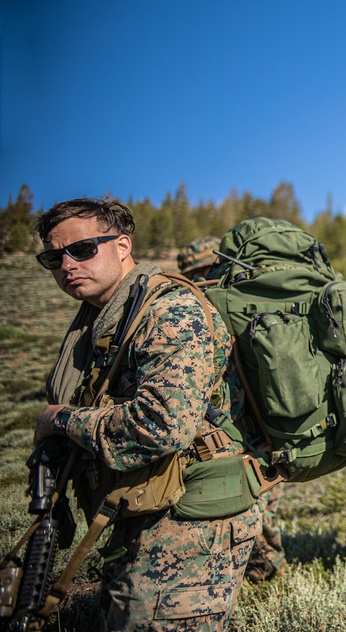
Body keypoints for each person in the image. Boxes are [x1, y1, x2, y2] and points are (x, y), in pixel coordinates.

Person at [33, 199, 261, 629]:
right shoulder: (107, 317)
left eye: (81, 249)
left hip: (189, 517)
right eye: (53, 257)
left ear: (122, 246)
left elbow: (159, 426)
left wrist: (61, 419)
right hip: (143, 506)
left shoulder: (169, 312)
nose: (66, 264)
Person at [177, 236, 288, 585]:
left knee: (250, 502)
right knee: (261, 499)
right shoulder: (243, 301)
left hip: (234, 429)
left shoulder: (204, 308)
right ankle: (264, 566)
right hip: (263, 423)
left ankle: (262, 568)